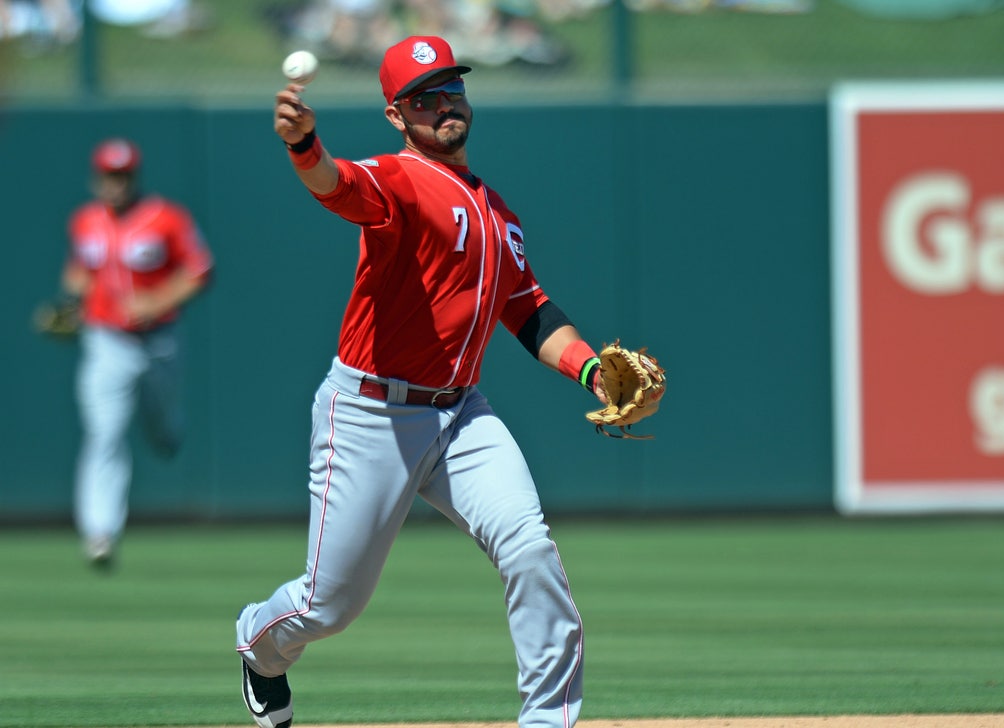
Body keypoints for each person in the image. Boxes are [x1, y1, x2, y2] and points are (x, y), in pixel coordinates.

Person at [235, 35, 602, 728]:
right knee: (329, 605)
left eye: (451, 90)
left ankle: (548, 719)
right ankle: (259, 645)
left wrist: (589, 368)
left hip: (462, 415)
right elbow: (339, 188)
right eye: (424, 98)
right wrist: (304, 146)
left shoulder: (499, 214)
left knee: (528, 545)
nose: (444, 105)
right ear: (398, 117)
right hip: (372, 413)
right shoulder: (398, 179)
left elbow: (526, 310)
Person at [62, 137, 214, 570]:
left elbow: (201, 269)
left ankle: (168, 430)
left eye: (124, 175)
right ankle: (100, 533)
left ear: (135, 176)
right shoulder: (85, 221)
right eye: (110, 175)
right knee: (104, 433)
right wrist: (73, 300)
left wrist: (159, 300)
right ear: (97, 177)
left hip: (160, 340)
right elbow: (79, 270)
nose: (117, 184)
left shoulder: (166, 217)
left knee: (161, 424)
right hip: (106, 340)